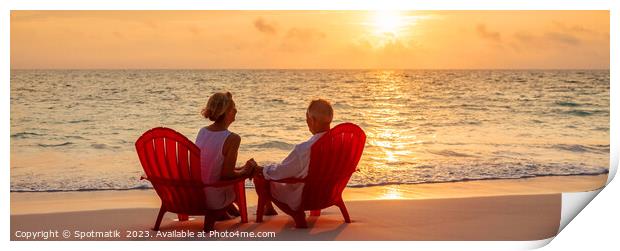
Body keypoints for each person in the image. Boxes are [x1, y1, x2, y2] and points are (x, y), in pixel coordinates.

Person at [250, 99, 333, 214]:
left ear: (312, 120)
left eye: (307, 119)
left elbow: (282, 171)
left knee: (260, 176)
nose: (307, 122)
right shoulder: (341, 143)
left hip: (303, 197)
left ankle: (268, 209)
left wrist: (262, 169)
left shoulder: (304, 149)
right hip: (328, 194)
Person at [195, 91, 254, 218]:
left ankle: (227, 212)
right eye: (234, 108)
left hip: (197, 194)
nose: (236, 111)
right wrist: (246, 171)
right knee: (237, 181)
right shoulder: (232, 139)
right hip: (214, 199)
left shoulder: (202, 131)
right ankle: (225, 210)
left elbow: (212, 166)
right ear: (227, 113)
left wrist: (242, 169)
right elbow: (227, 174)